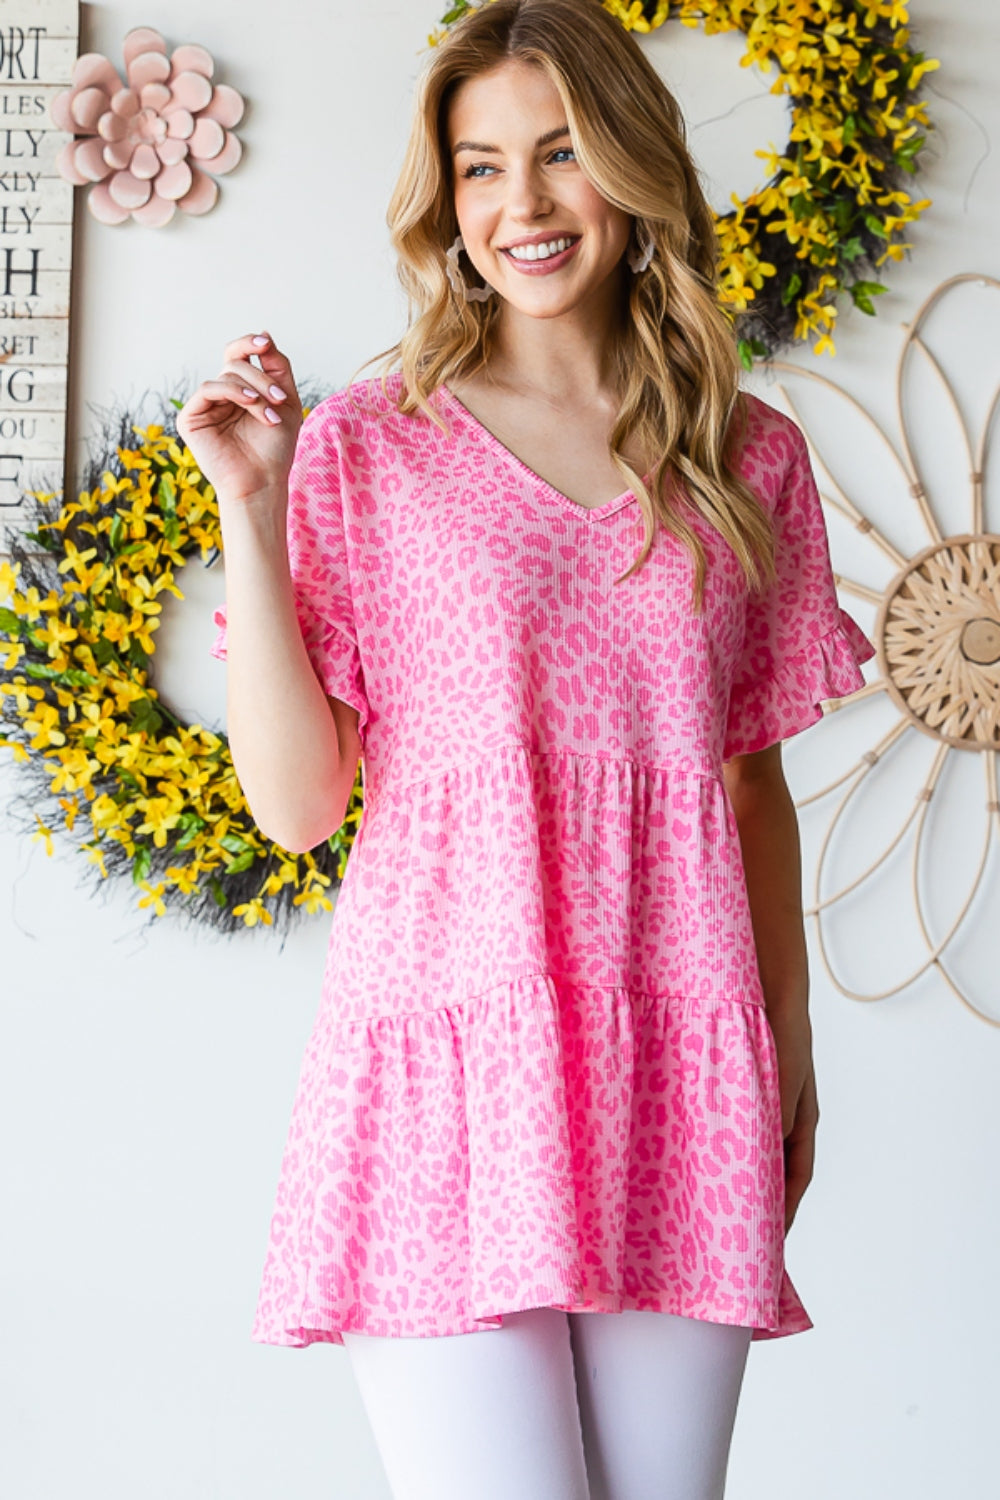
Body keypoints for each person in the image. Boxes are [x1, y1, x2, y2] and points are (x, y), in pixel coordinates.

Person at [177, 2, 876, 1495]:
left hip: (678, 1074)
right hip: (445, 1072)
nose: (522, 206)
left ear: (632, 166)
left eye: (559, 153)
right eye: (480, 167)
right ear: (446, 200)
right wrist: (252, 501)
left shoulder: (751, 459)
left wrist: (789, 1047)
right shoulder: (370, 445)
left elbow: (751, 782)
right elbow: (301, 808)